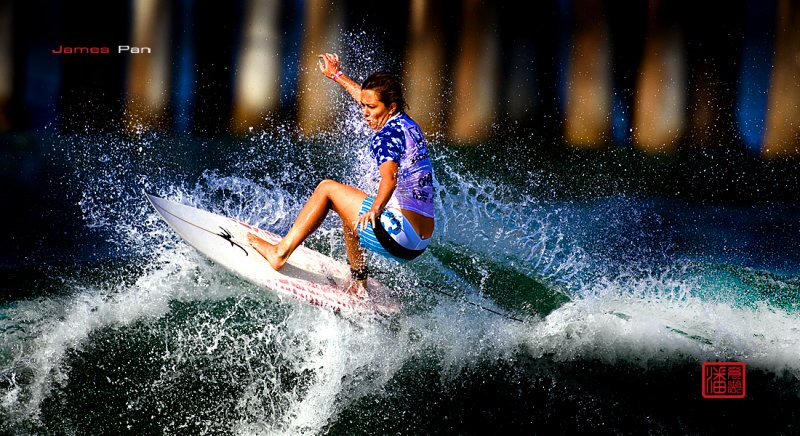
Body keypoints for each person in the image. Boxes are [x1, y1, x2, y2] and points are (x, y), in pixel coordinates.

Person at [247, 52, 436, 297]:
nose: (365, 113)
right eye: (364, 106)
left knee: (327, 189)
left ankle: (279, 253)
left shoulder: (385, 138)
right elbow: (366, 97)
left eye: (371, 108)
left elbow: (390, 179)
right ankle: (359, 284)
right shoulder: (407, 125)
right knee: (348, 206)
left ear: (390, 107)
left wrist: (376, 209)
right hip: (420, 240)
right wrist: (336, 75)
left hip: (399, 236)